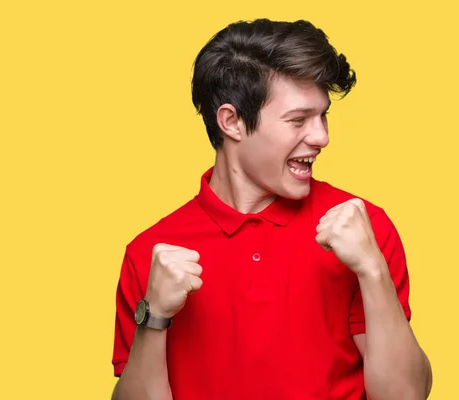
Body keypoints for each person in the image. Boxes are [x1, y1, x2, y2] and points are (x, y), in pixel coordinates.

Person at [110, 18, 433, 400]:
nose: (321, 137)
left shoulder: (362, 227)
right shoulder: (152, 254)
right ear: (231, 122)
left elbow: (405, 395)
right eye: (298, 120)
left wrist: (372, 269)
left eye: (323, 115)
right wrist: (156, 316)